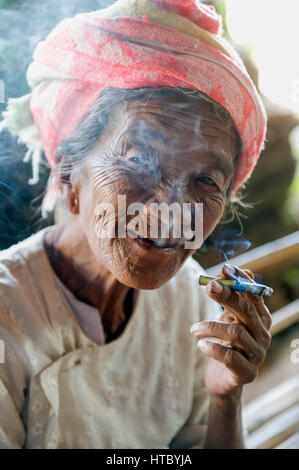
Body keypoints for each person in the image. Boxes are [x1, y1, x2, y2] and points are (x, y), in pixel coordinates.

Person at [0, 0, 271, 449]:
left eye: (205, 179)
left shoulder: (189, 299)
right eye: (140, 157)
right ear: (69, 175)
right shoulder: (8, 313)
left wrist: (225, 395)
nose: (174, 207)